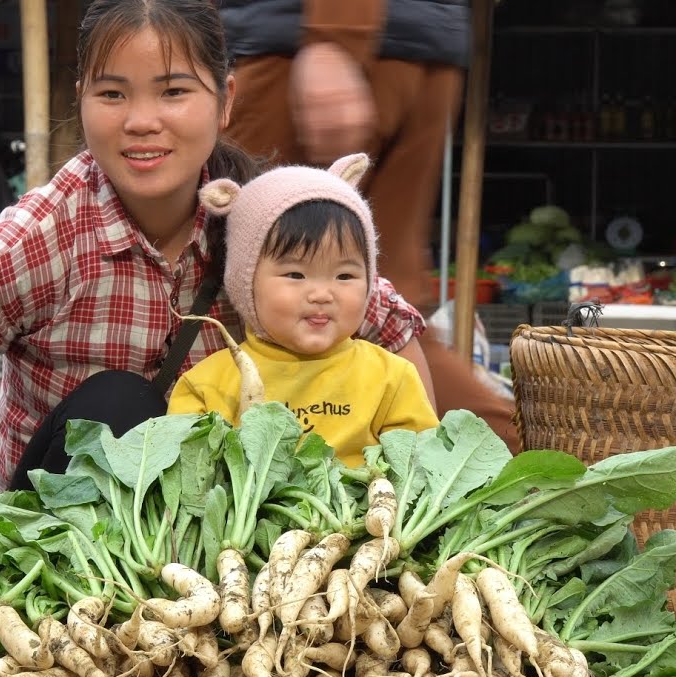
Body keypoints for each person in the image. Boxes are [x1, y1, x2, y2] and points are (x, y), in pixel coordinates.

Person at [0, 0, 444, 523]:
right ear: (82, 99)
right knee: (121, 408)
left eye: (174, 91)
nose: (141, 121)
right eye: (112, 93)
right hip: (73, 550)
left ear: (225, 100)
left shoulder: (263, 217)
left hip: (238, 545)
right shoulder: (39, 241)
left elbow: (394, 334)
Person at [217, 0, 521, 452]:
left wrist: (334, 38)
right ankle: (532, 460)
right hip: (411, 44)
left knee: (254, 283)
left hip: (312, 46)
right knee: (381, 306)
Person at [168, 154, 439, 466]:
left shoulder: (393, 379)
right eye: (296, 275)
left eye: (344, 276)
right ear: (245, 282)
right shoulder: (205, 386)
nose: (322, 295)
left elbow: (421, 468)